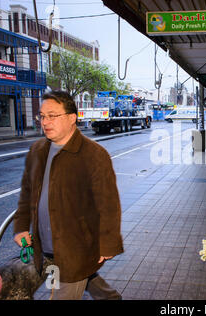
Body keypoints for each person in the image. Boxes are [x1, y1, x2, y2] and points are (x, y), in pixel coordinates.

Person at [13, 90, 124, 300]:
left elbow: (108, 204)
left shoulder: (94, 155)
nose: (45, 122)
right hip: (45, 243)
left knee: (70, 281)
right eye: (42, 116)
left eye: (52, 116)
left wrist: (108, 242)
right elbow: (27, 195)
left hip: (77, 245)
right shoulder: (37, 150)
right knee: (84, 275)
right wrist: (20, 227)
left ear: (72, 118)